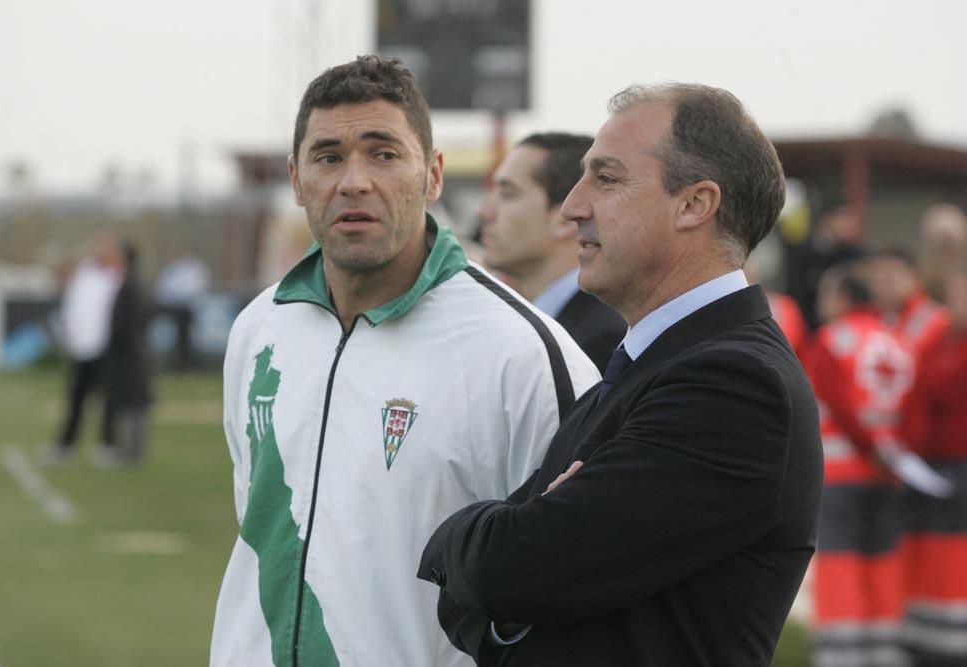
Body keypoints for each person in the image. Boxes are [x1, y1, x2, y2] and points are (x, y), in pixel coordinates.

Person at [209, 56, 599, 667]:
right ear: (295, 177)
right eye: (328, 156)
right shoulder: (259, 328)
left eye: (384, 153)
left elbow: (578, 585)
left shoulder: (523, 353)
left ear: (434, 174)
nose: (354, 181)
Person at [419, 83, 823, 665]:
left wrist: (468, 534)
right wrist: (507, 546)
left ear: (694, 205)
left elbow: (515, 569)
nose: (572, 206)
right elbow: (501, 582)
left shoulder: (733, 384)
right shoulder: (650, 361)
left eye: (606, 179)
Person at [803, 265, 917, 667]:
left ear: (845, 298)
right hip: (891, 473)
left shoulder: (832, 340)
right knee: (883, 563)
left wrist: (868, 448)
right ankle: (885, 653)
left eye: (828, 295)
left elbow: (839, 404)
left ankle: (843, 656)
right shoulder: (899, 340)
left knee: (841, 566)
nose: (821, 304)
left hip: (842, 474)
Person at [479, 133, 627, 372]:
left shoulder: (601, 338)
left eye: (508, 194)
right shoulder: (539, 323)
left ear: (565, 219)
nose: (484, 212)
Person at [900, 264, 967, 667]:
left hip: (959, 464)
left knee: (953, 559)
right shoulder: (941, 338)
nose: (954, 306)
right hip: (931, 466)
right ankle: (930, 644)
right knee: (930, 558)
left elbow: (943, 385)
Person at [44, 230, 123, 464]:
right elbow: (72, 307)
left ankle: (107, 445)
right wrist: (72, 337)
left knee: (109, 400)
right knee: (76, 399)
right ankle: (65, 446)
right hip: (82, 348)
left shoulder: (116, 276)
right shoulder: (84, 274)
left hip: (106, 348)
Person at [102, 242, 153, 464]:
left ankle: (130, 452)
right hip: (136, 351)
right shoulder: (138, 284)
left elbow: (124, 324)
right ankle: (131, 450)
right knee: (133, 403)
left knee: (131, 404)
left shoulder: (130, 286)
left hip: (129, 355)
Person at [867, 247, 949, 358]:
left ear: (913, 278)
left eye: (888, 279)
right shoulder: (869, 316)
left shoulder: (936, 318)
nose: (880, 287)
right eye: (875, 280)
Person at [154, 243, 210, 368]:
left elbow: (194, 291)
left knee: (183, 326)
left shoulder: (195, 269)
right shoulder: (170, 269)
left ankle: (184, 360)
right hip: (171, 307)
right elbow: (162, 290)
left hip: (187, 308)